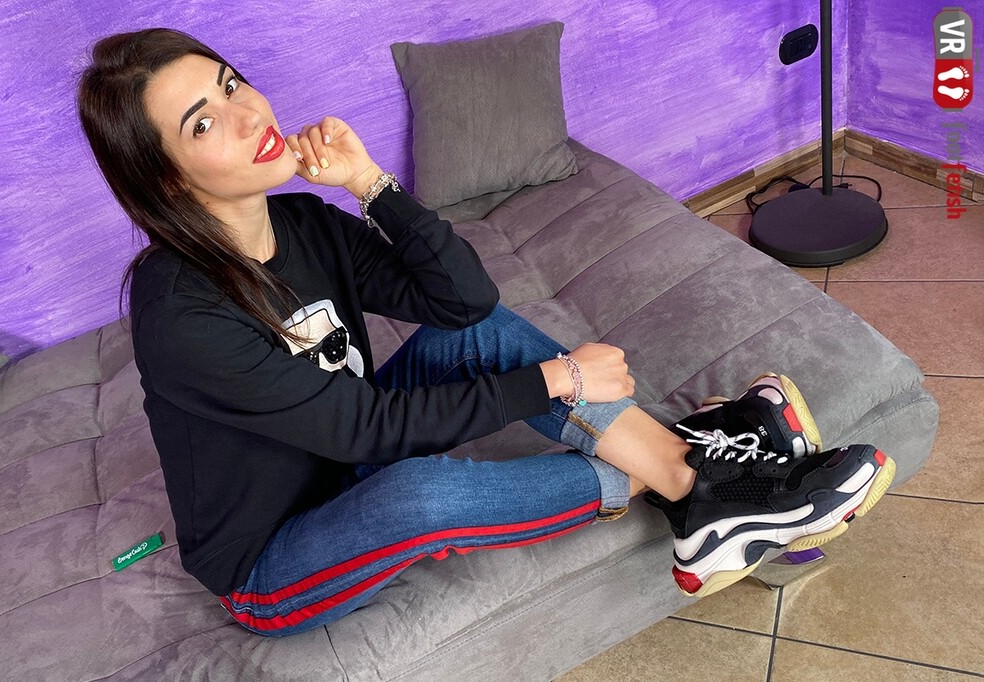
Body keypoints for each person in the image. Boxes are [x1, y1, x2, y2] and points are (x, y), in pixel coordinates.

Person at [76, 27, 896, 637]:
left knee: (475, 338)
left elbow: (464, 303)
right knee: (420, 494)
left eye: (230, 84)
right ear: (166, 181)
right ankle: (687, 474)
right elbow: (368, 427)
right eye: (202, 123)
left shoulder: (301, 222)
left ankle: (699, 492)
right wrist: (556, 380)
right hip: (273, 562)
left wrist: (371, 183)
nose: (247, 112)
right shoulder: (177, 312)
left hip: (349, 457)